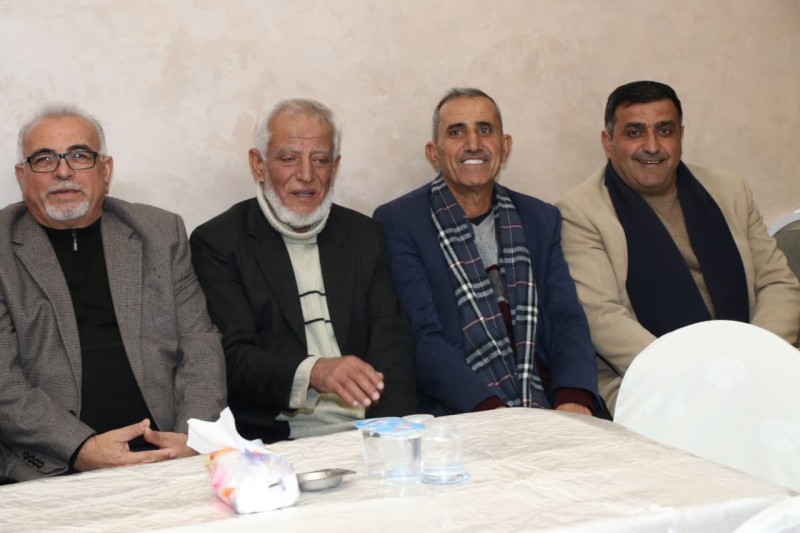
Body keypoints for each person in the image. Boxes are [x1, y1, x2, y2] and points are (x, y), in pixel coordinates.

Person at [0, 104, 227, 482]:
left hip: (168, 453)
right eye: (44, 159)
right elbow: (3, 383)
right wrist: (80, 448)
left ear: (105, 170)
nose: (63, 171)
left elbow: (200, 347)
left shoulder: (160, 233)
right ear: (22, 176)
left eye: (79, 155)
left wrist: (191, 437)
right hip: (55, 467)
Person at [558, 80, 800, 411]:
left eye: (665, 130)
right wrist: (698, 376)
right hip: (657, 384)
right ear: (608, 142)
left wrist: (755, 359)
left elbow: (778, 283)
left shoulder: (730, 190)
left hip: (756, 367)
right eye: (634, 132)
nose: (652, 146)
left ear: (680, 136)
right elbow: (602, 318)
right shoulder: (581, 211)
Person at [190, 98, 418, 443]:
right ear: (259, 165)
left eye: (320, 160)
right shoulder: (219, 242)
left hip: (373, 430)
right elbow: (231, 359)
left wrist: (391, 435)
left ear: (335, 167)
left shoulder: (365, 236)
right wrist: (314, 371)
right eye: (288, 158)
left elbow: (394, 345)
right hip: (280, 441)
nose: (306, 175)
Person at [374, 88, 604, 417]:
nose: (473, 144)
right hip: (461, 409)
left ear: (504, 146)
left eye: (484, 129)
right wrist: (492, 412)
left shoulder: (540, 218)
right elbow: (422, 338)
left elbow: (566, 318)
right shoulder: (400, 221)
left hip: (547, 397)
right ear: (434, 153)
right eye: (456, 132)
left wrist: (573, 397)